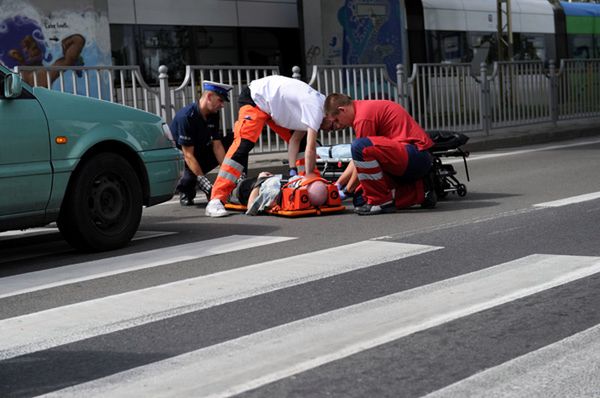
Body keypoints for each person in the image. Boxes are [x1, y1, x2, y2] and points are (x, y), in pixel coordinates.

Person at [205, 75, 333, 217]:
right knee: (243, 144)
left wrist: (299, 174)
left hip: (273, 107)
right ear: (329, 115)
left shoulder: (323, 104)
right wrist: (308, 175)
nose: (332, 128)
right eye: (334, 124)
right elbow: (311, 147)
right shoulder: (315, 109)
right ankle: (216, 198)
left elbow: (296, 141)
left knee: (301, 143)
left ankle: (306, 189)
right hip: (255, 99)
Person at [324, 93, 436, 215]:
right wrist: (338, 184)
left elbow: (360, 158)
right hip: (408, 159)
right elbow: (358, 160)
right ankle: (419, 192)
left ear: (342, 110)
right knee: (360, 199)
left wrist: (346, 191)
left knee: (359, 146)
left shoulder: (363, 118)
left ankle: (380, 202)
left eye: (336, 120)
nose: (338, 125)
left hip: (415, 155)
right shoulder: (361, 110)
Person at [170, 80, 233, 206]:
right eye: (220, 100)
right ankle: (186, 191)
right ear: (209, 97)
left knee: (235, 139)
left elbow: (217, 145)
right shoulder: (186, 117)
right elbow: (188, 155)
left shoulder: (213, 114)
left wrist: (228, 173)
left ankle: (238, 183)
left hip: (200, 153)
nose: (222, 105)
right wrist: (203, 181)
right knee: (188, 178)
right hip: (184, 161)